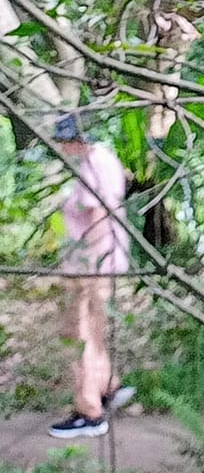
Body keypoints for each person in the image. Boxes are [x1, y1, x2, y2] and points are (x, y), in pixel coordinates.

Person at [48, 113, 136, 441]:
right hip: (105, 262)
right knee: (95, 329)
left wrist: (89, 266)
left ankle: (89, 410)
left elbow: (98, 214)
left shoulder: (92, 164)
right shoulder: (103, 157)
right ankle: (106, 386)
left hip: (91, 264)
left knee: (78, 332)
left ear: (75, 140)